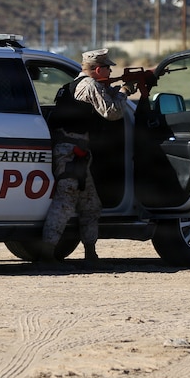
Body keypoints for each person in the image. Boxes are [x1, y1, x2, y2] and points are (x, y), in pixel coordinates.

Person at [41, 48, 132, 264]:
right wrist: (124, 92)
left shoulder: (74, 86)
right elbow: (113, 113)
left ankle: (90, 252)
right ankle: (46, 253)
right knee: (65, 202)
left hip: (77, 152)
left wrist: (114, 90)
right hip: (70, 151)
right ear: (98, 69)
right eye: (108, 67)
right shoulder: (89, 86)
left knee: (91, 205)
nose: (110, 71)